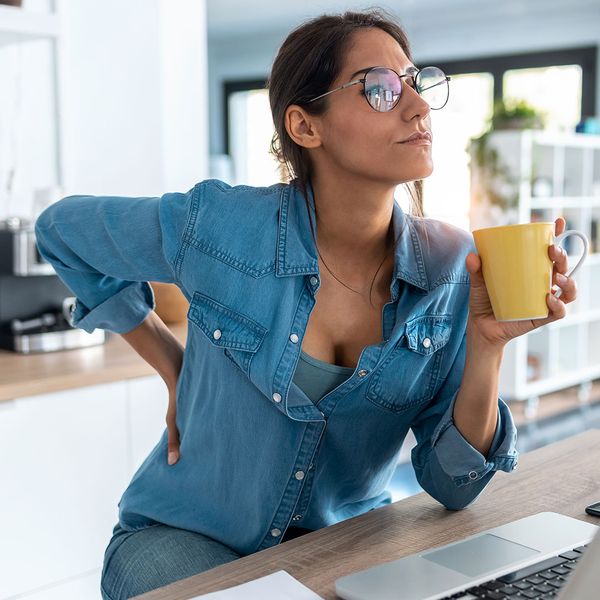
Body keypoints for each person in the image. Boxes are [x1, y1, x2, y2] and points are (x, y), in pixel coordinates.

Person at [34, 9, 577, 600]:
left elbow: (453, 486)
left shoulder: (450, 265)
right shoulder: (220, 225)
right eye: (379, 89)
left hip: (342, 545)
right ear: (305, 125)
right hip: (183, 539)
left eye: (417, 84)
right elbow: (62, 232)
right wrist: (173, 365)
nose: (418, 107)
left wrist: (486, 346)